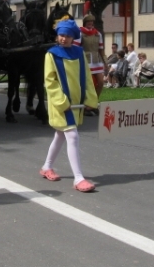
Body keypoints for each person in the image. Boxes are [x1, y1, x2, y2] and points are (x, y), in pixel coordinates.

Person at [40, 20, 98, 193]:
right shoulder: (51, 54)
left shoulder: (79, 53)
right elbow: (50, 82)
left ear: (73, 37)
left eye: (67, 36)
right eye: (61, 35)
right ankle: (78, 178)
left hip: (76, 103)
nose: (63, 38)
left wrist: (90, 99)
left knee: (60, 135)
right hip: (61, 104)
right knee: (72, 135)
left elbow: (87, 77)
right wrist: (62, 102)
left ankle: (46, 167)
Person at [74, 14, 105, 106]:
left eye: (91, 22)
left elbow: (101, 50)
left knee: (101, 82)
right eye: (88, 22)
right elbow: (76, 48)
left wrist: (106, 63)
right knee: (89, 85)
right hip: (85, 60)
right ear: (85, 23)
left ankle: (95, 101)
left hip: (97, 61)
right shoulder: (80, 33)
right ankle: (88, 104)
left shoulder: (98, 34)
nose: (90, 23)